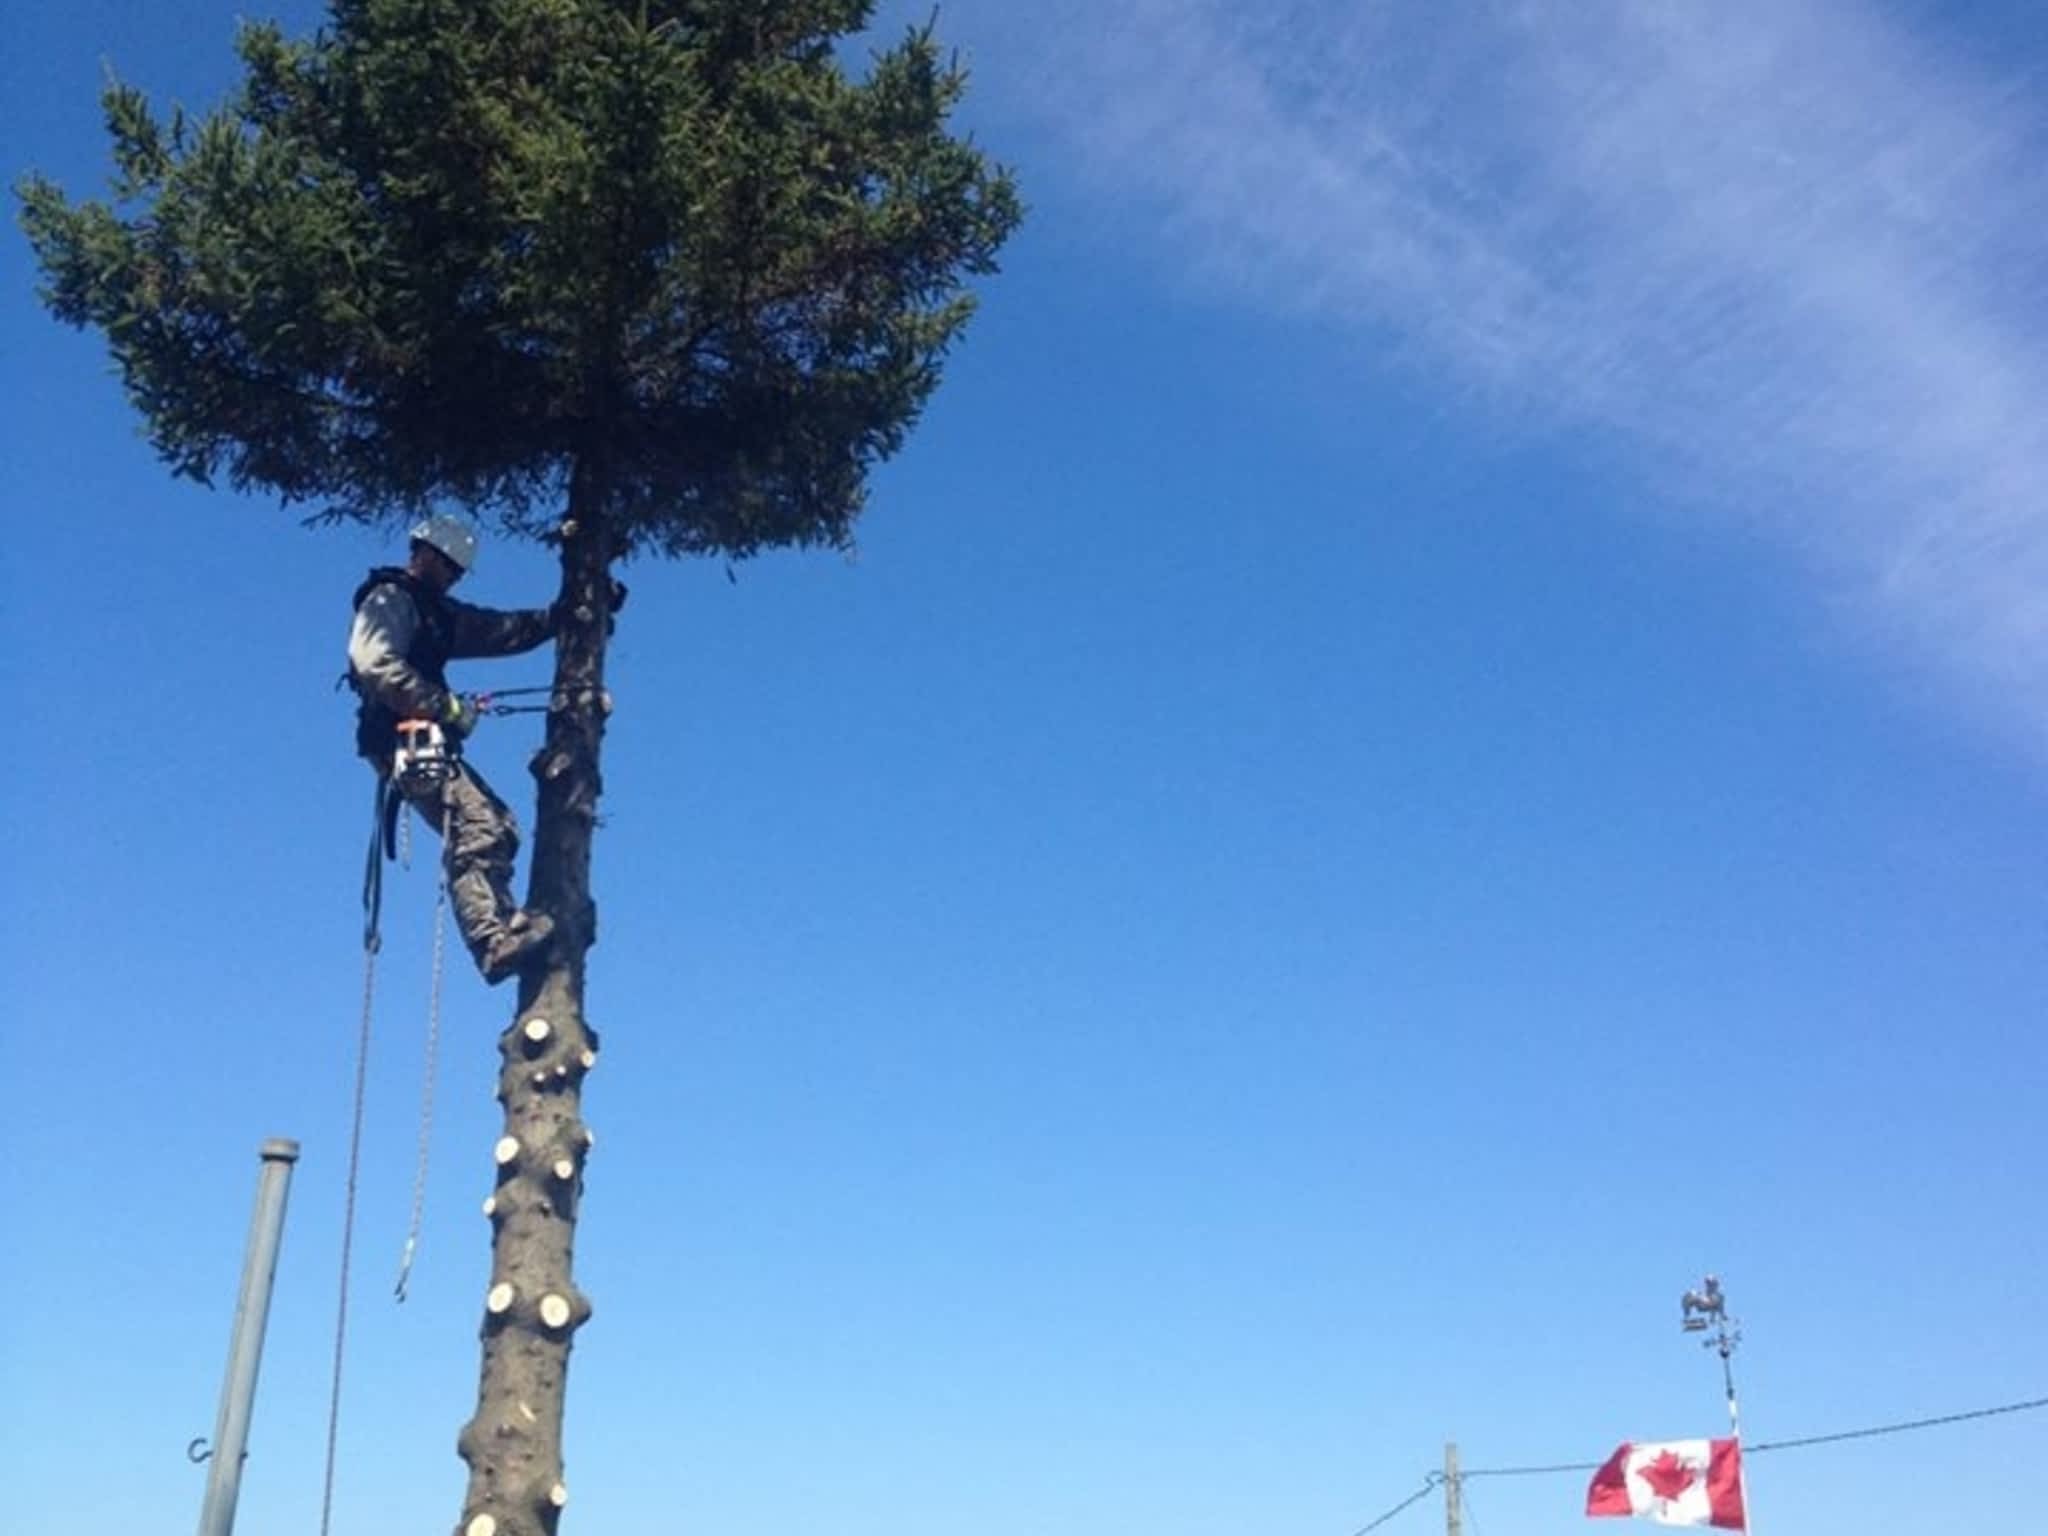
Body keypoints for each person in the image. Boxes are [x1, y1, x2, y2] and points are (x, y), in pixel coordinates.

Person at [347, 513, 559, 984]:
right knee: (478, 825)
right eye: (449, 567)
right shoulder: (392, 599)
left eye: (458, 572)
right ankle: (492, 940)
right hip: (402, 736)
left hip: (422, 735)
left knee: (498, 826)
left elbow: (499, 630)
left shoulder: (436, 613)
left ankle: (506, 923)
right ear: (424, 553)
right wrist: (443, 706)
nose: (452, 578)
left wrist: (558, 618)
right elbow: (373, 663)